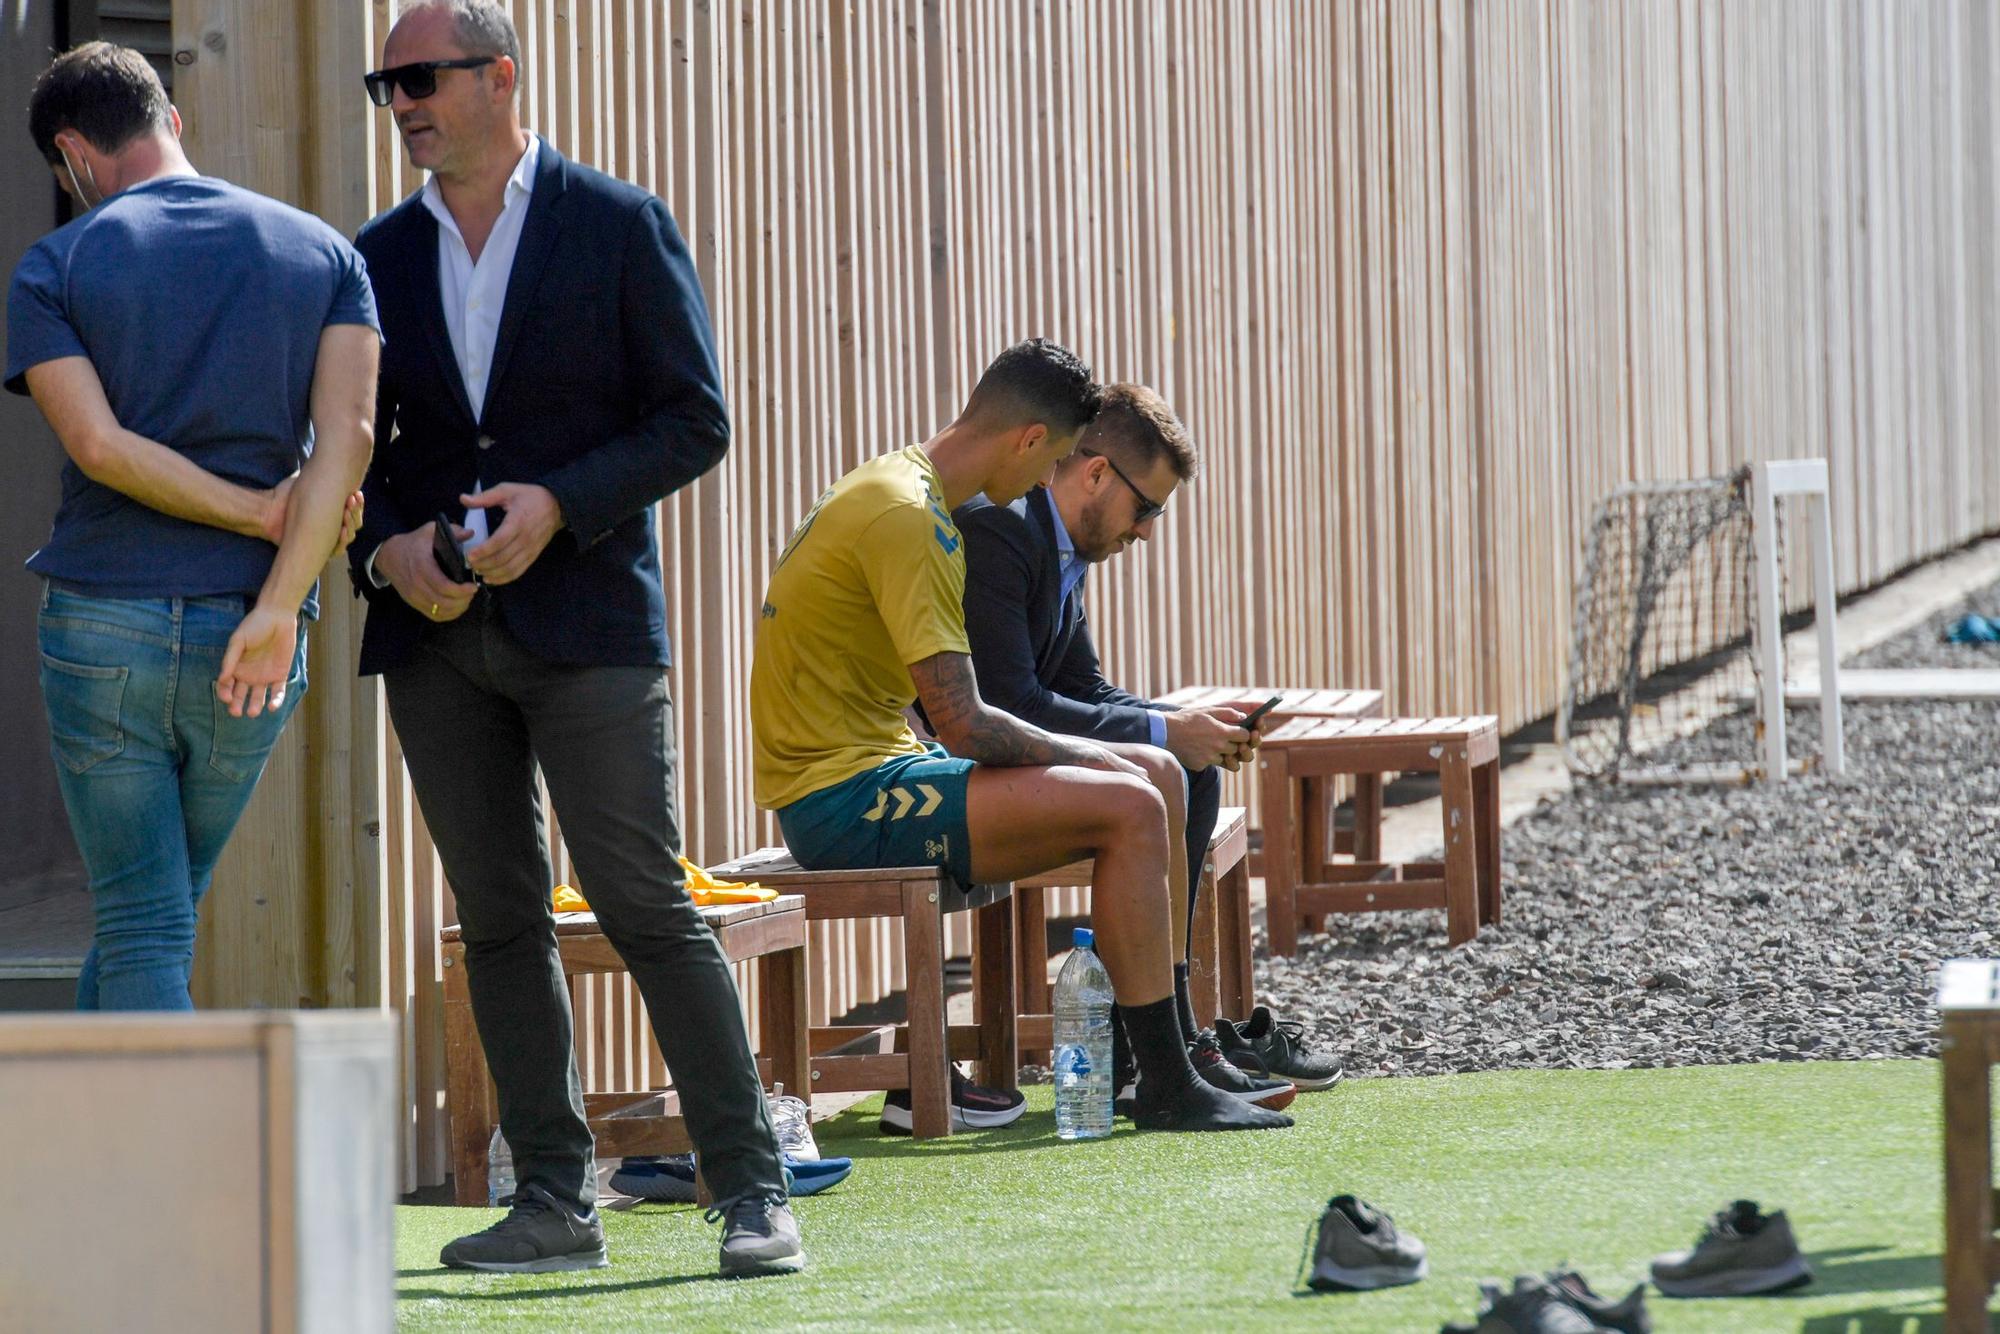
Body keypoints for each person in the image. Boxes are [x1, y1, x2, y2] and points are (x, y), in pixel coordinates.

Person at [347, 0, 799, 1279]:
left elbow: (694, 419)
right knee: (495, 918)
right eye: (386, 88)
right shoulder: (370, 256)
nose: (404, 105)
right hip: (435, 640)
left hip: (589, 624)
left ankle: (752, 1189)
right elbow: (341, 446)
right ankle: (553, 1200)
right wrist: (387, 546)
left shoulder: (614, 224)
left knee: (645, 902)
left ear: (498, 77)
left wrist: (559, 505)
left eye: (422, 78)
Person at [751, 338, 1290, 1135]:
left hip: (878, 770)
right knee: (1136, 800)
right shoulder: (914, 516)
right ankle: (1163, 1083)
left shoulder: (906, 491)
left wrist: (1138, 752)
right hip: (838, 801)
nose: (1050, 482)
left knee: (1158, 779)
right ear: (1032, 441)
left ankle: (1161, 1066)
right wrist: (1113, 756)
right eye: (1060, 460)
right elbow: (968, 722)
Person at [5, 42, 376, 1012]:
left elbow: (96, 443)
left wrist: (257, 514)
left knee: (144, 919)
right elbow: (349, 435)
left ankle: (149, 1169)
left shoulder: (57, 263)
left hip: (102, 628)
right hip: (248, 633)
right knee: (158, 912)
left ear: (75, 152)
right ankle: (74, 1155)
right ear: (171, 119)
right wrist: (280, 598)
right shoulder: (323, 253)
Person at [950, 383, 1321, 1104]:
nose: (1147, 531)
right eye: (1145, 508)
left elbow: (1086, 690)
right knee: (1163, 762)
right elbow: (1007, 703)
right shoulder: (1002, 530)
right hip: (962, 777)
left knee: (1191, 765)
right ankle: (1155, 1053)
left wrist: (1188, 723)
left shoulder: (1061, 547)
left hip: (1009, 766)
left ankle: (1165, 1039)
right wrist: (1162, 730)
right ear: (1094, 474)